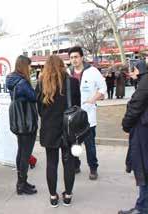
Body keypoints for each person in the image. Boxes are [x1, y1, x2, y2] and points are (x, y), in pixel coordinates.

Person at [36, 55, 80, 207]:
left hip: (49, 129)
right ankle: (68, 195)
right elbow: (77, 106)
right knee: (69, 163)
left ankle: (53, 197)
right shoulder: (73, 82)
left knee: (51, 163)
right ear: (62, 65)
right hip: (68, 129)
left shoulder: (42, 83)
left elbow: (39, 109)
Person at [68, 46, 107, 180]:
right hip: (73, 117)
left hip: (88, 115)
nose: (74, 60)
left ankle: (93, 168)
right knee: (74, 144)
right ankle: (76, 165)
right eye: (71, 57)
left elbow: (103, 88)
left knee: (90, 144)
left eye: (76, 57)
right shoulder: (68, 72)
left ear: (82, 57)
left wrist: (92, 99)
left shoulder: (92, 71)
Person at [6, 55, 38, 195]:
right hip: (27, 123)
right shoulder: (23, 83)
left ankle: (22, 182)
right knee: (25, 154)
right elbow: (34, 97)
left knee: (21, 152)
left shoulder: (12, 80)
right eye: (29, 66)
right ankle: (21, 184)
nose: (30, 69)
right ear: (24, 66)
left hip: (19, 123)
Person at [119, 60, 148, 214]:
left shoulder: (144, 83)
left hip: (143, 131)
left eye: (132, 70)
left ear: (138, 70)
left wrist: (126, 124)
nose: (130, 74)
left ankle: (142, 208)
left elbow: (135, 106)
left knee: (143, 167)